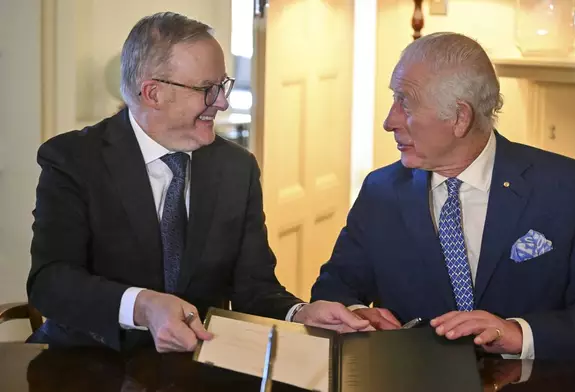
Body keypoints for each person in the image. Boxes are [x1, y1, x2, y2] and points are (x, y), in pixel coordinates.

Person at [27, 12, 369, 353]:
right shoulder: (72, 159)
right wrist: (143, 306)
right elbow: (51, 283)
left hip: (196, 367)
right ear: (153, 93)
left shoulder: (237, 168)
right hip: (83, 364)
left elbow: (255, 289)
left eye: (222, 85)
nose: (222, 102)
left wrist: (300, 314)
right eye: (208, 89)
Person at [310, 32, 575, 360]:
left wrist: (518, 334)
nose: (388, 121)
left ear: (460, 118)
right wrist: (356, 314)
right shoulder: (380, 192)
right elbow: (334, 288)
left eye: (405, 103)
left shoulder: (565, 187)